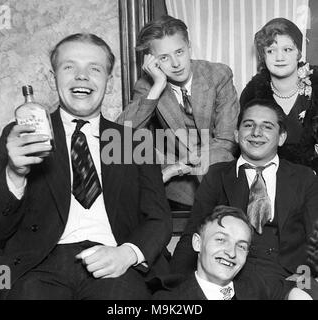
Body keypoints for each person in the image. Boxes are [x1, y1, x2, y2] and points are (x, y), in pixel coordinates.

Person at [0, 33, 172, 300]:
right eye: (69, 67)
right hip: (38, 266)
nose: (82, 76)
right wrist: (15, 174)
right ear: (52, 78)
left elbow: (159, 218)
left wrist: (127, 253)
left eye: (94, 68)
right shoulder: (23, 133)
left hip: (113, 260)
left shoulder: (131, 141)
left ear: (108, 83)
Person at [170, 99, 318, 298]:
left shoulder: (304, 177)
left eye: (267, 127)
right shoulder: (217, 176)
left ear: (281, 137)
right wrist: (173, 286)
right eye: (249, 125)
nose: (256, 133)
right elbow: (193, 234)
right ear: (237, 135)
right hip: (235, 274)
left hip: (293, 277)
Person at [117, 15, 239, 210]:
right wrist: (157, 86)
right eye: (164, 57)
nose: (176, 63)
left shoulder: (218, 74)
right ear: (151, 61)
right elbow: (121, 134)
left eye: (179, 52)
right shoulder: (147, 86)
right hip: (177, 182)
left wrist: (186, 164)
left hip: (214, 168)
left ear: (189, 47)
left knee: (215, 160)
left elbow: (226, 140)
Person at [155, 205, 311, 300]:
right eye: (221, 240)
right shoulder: (167, 299)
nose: (231, 252)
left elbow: (300, 283)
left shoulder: (254, 288)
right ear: (197, 243)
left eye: (241, 246)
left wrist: (297, 294)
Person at [240, 17, 318, 172]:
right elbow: (246, 148)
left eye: (287, 49)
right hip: (270, 179)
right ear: (263, 56)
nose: (279, 57)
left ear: (298, 52)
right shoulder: (252, 94)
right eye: (271, 50)